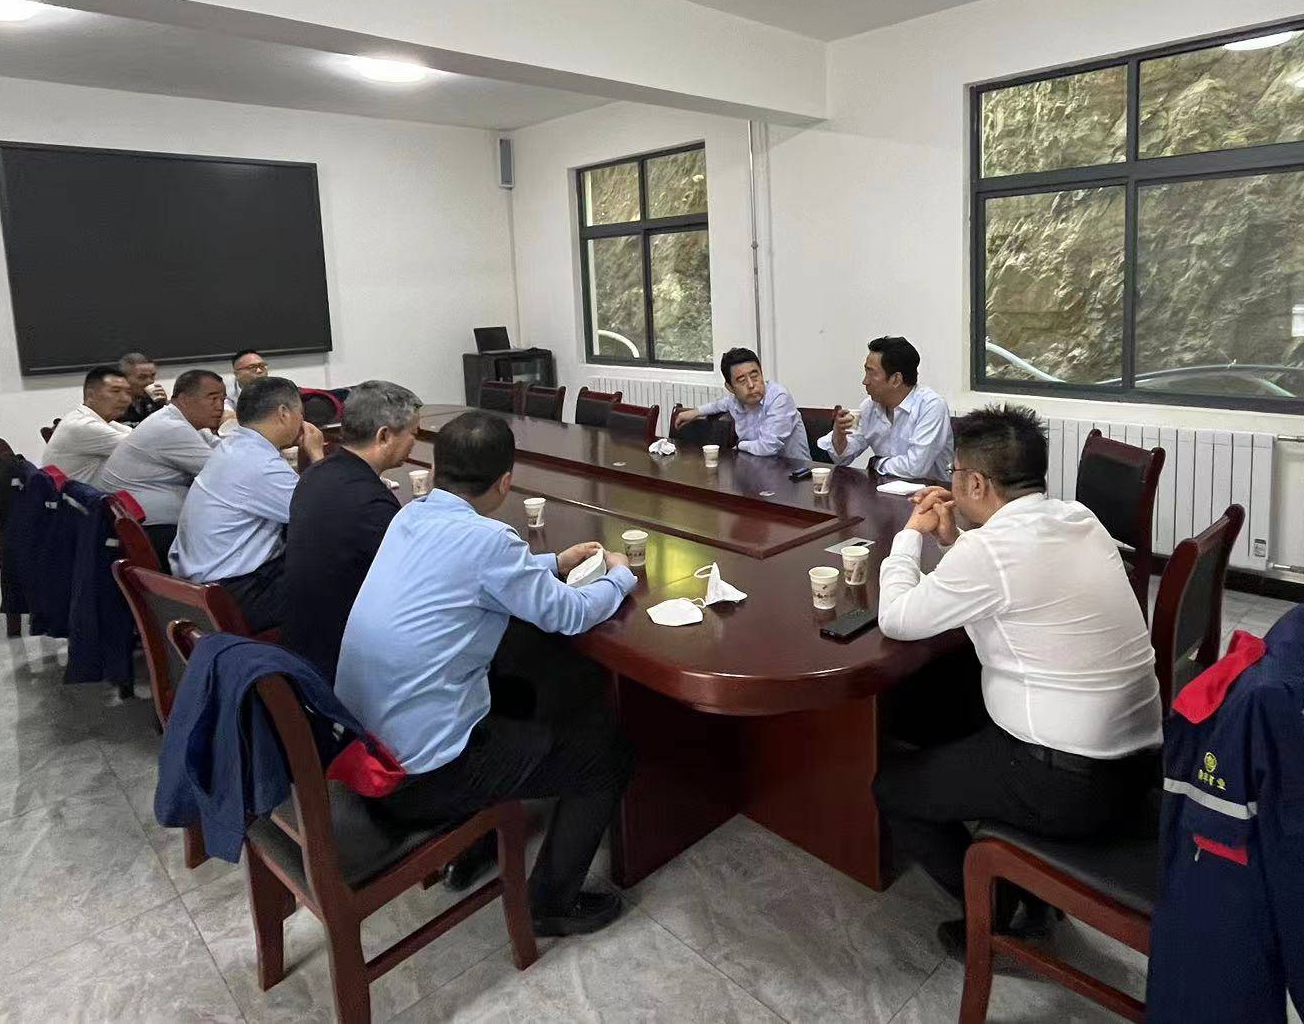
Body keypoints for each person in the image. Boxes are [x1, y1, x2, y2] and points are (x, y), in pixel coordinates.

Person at [871, 405, 1162, 961]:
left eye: (955, 472)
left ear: (976, 483)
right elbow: (1007, 582)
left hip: (1070, 783)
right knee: (945, 694)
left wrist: (910, 536)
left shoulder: (991, 551)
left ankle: (994, 905)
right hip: (1139, 761)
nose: (951, 481)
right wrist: (955, 540)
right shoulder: (1078, 517)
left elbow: (898, 618)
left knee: (894, 788)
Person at [335, 410, 637, 937]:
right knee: (605, 755)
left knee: (518, 685)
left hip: (364, 743)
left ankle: (474, 849)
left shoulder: (410, 515)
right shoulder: (490, 540)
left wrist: (553, 563)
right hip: (417, 777)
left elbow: (475, 574)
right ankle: (551, 904)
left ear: (437, 469)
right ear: (505, 482)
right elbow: (568, 614)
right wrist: (619, 578)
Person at [282, 380, 422, 681]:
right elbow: (414, 583)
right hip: (344, 658)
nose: (415, 442)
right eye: (413, 433)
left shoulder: (316, 474)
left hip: (304, 641)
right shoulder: (370, 502)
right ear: (384, 436)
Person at [169, 376, 322, 631]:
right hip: (237, 593)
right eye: (301, 413)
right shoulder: (258, 464)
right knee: (342, 575)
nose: (302, 421)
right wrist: (317, 454)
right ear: (284, 413)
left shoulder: (236, 446)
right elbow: (326, 512)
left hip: (205, 584)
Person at [97, 369, 227, 563]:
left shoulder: (183, 422)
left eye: (223, 399)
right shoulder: (172, 428)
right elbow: (224, 474)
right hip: (155, 532)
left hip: (146, 523)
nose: (220, 407)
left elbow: (224, 449)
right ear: (184, 399)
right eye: (213, 398)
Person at [820, 335, 954, 482]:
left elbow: (915, 468)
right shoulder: (869, 407)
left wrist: (877, 463)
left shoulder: (931, 406)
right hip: (885, 489)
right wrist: (839, 436)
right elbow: (842, 460)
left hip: (931, 491)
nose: (865, 381)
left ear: (896, 379)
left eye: (871, 373)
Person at [671, 347, 811, 463]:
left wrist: (739, 445)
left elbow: (768, 447)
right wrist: (695, 412)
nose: (751, 385)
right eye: (742, 380)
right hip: (756, 470)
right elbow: (718, 405)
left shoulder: (779, 397)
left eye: (755, 376)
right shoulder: (734, 401)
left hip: (795, 474)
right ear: (730, 387)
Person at [42, 365, 133, 484]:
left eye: (128, 392)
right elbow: (142, 448)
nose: (126, 399)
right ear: (91, 395)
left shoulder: (97, 419)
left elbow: (137, 437)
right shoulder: (83, 426)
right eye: (115, 391)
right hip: (78, 496)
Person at [117, 351, 167, 425]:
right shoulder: (114, 405)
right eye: (142, 377)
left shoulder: (153, 400)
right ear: (124, 379)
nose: (150, 381)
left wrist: (164, 406)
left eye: (152, 376)